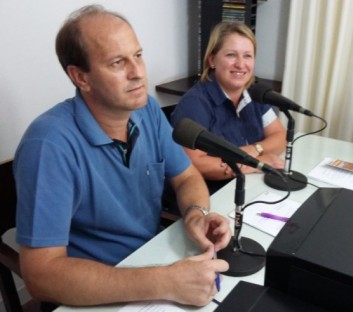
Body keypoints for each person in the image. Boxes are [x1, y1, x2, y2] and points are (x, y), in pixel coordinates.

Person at [13, 5, 231, 308]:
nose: (138, 72)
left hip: (152, 259)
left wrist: (196, 214)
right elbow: (41, 276)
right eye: (118, 62)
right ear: (81, 77)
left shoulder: (148, 111)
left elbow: (186, 176)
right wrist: (165, 281)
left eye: (138, 55)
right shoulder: (48, 145)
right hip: (97, 292)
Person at [171, 22, 286, 194]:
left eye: (247, 56)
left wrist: (253, 151)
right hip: (215, 194)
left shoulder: (254, 93)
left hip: (253, 184)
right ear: (212, 60)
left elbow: (280, 136)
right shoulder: (194, 104)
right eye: (231, 55)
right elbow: (194, 164)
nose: (240, 64)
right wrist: (254, 163)